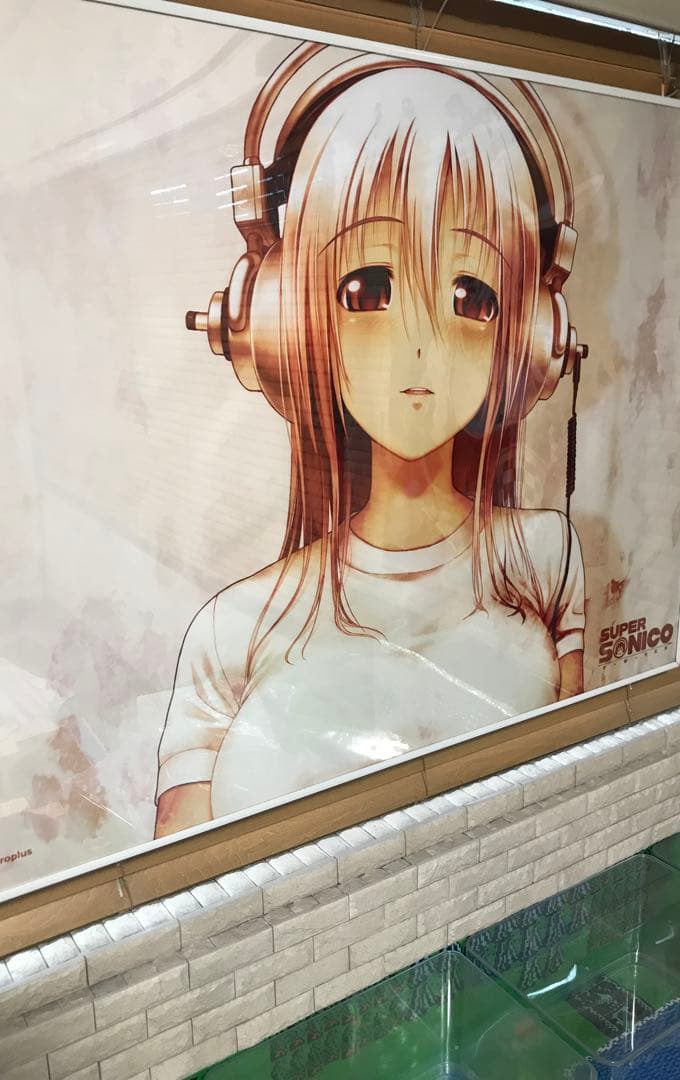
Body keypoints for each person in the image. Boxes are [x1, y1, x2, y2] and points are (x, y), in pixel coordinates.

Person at [154, 63, 585, 839]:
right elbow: (183, 881)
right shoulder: (230, 632)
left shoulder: (546, 560)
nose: (420, 344)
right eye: (368, 289)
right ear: (281, 324)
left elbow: (569, 800)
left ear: (532, 340)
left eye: (471, 297)